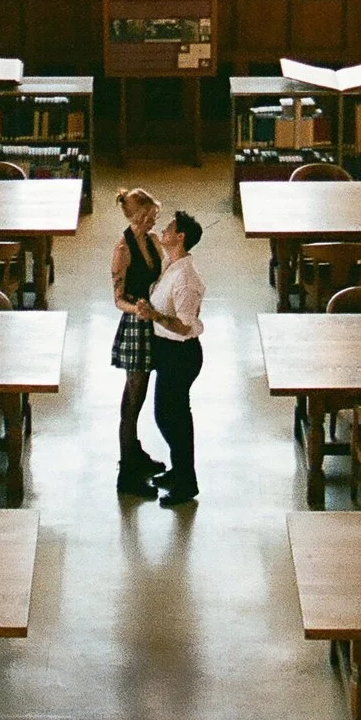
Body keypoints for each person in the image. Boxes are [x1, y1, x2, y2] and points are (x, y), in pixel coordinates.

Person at [129, 209, 205, 508]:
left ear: (181, 237)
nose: (164, 230)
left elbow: (185, 324)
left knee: (170, 417)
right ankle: (180, 472)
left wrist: (154, 315)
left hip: (181, 354)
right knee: (173, 415)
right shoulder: (172, 265)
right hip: (169, 352)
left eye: (170, 228)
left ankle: (187, 482)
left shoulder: (186, 278)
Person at [108, 188, 166, 496]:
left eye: (154, 216)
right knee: (133, 397)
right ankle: (127, 470)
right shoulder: (123, 250)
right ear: (135, 216)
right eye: (148, 217)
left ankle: (136, 452)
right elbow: (118, 299)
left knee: (141, 396)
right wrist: (138, 310)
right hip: (137, 325)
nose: (153, 222)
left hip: (155, 321)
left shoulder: (154, 241)